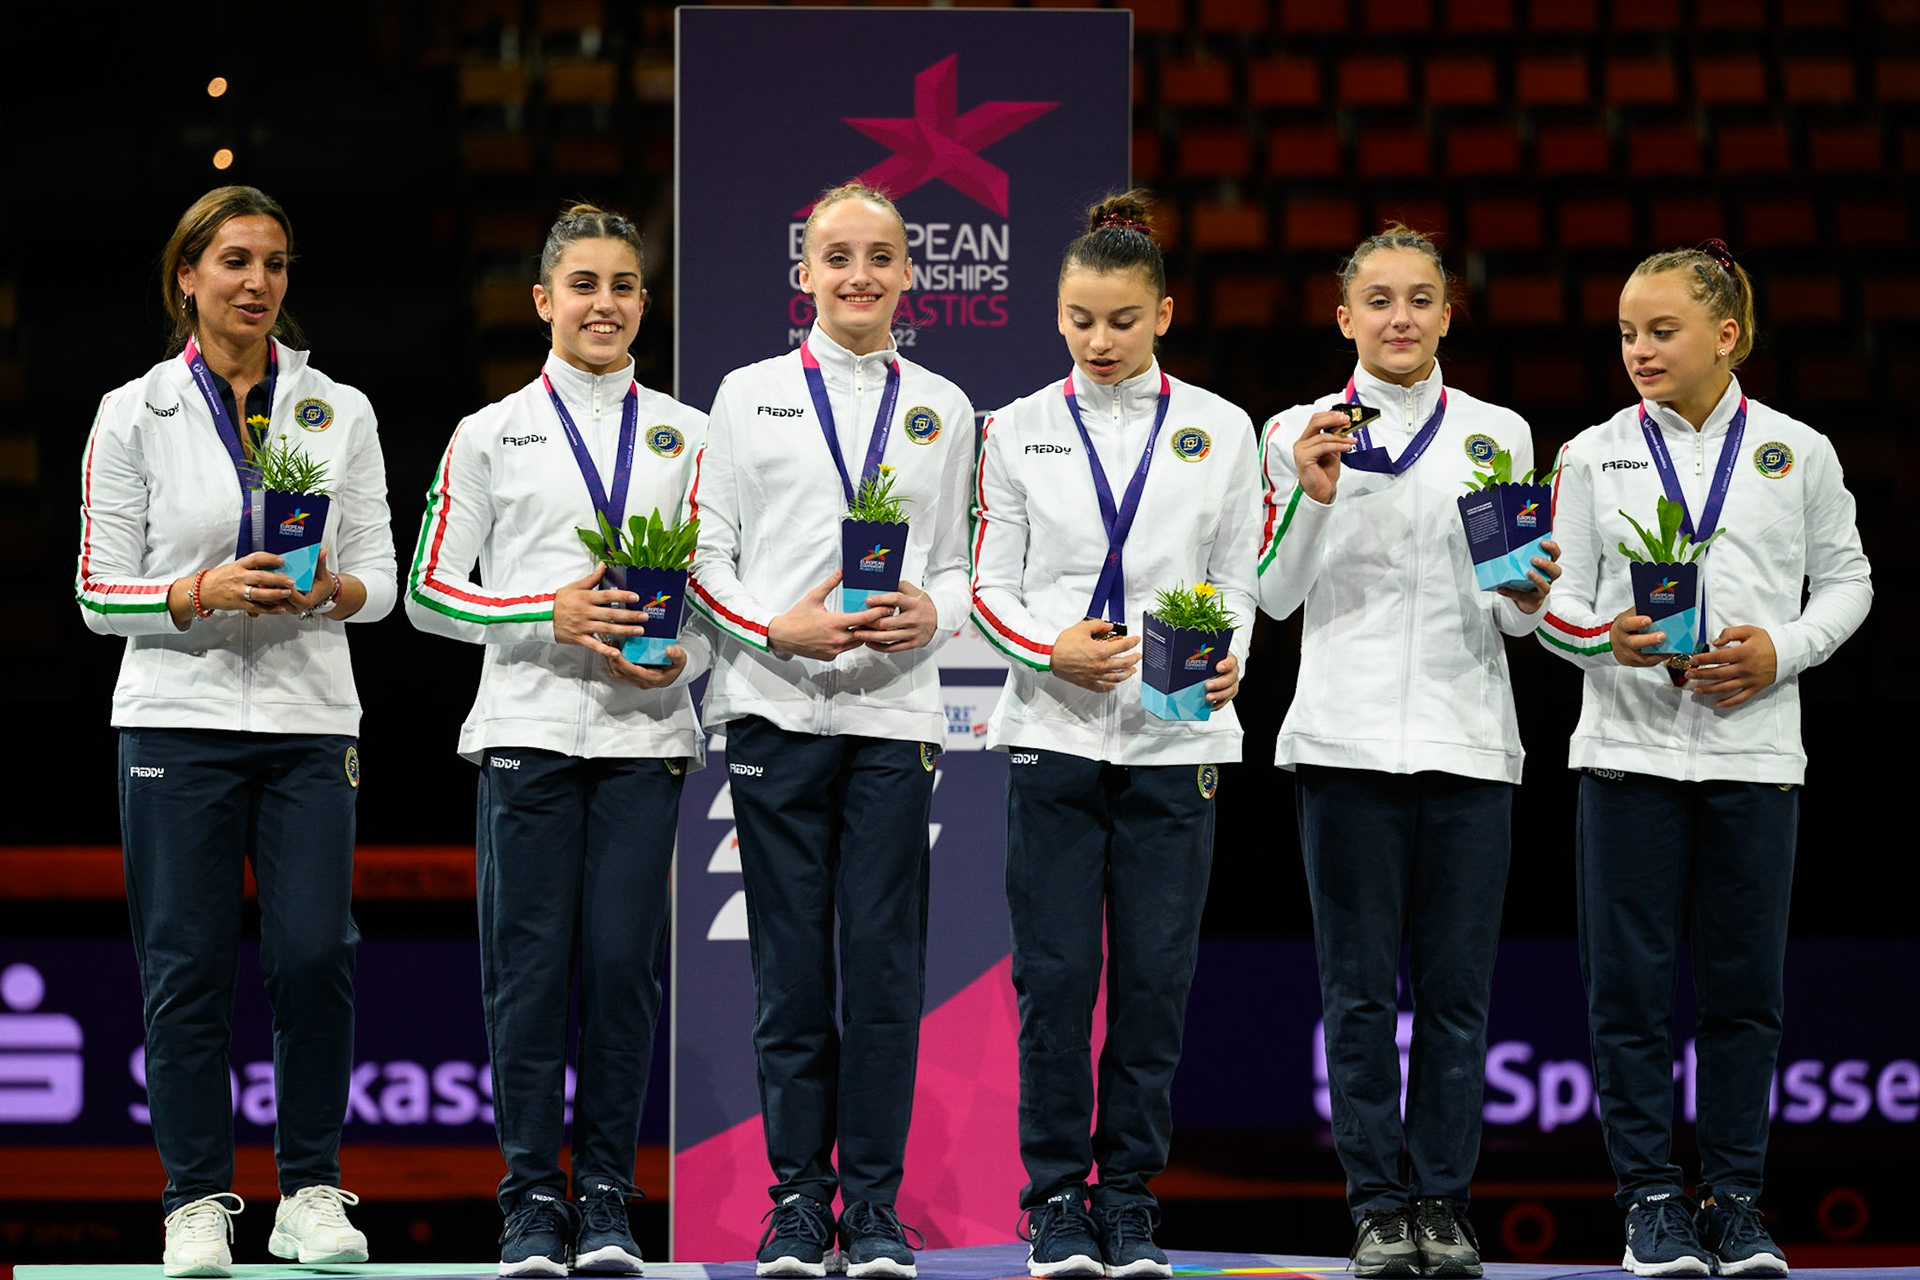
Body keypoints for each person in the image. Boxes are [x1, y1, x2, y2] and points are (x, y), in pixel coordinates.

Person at [1534, 241, 1871, 1278]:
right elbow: (1555, 607)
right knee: (1627, 992)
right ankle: (1649, 1203)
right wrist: (1605, 640)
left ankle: (1735, 1201)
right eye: (1628, 331)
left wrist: (1784, 650)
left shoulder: (1796, 450)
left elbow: (1849, 582)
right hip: (1626, 752)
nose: (1639, 347)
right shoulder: (1592, 452)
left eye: (1661, 329)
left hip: (1756, 753)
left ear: (1726, 334)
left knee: (1744, 994)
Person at [75, 185, 392, 1275]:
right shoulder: (134, 411)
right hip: (176, 714)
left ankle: (308, 1189)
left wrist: (329, 588)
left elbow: (386, 583)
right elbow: (94, 591)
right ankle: (195, 1199)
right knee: (186, 967)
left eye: (276, 264)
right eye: (235, 262)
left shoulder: (337, 407)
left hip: (309, 716)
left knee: (313, 957)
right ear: (188, 277)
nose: (258, 283)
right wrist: (200, 586)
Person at [405, 204, 707, 1276]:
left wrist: (683, 659)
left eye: (624, 285)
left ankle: (612, 1196)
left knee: (624, 970)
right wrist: (550, 610)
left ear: (643, 302)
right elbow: (429, 592)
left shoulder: (690, 434)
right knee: (529, 973)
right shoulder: (489, 431)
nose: (605, 303)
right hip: (527, 730)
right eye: (583, 284)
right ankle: (532, 1196)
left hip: (644, 735)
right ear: (543, 300)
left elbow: (715, 593)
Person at [1254, 224, 1560, 1278]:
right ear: (1345, 318)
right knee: (1357, 993)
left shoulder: (1499, 433)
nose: (1399, 317)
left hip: (1470, 741)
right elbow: (1273, 594)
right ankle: (1377, 1202)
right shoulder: (1297, 429)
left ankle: (1445, 1198)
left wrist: (1529, 590)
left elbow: (1519, 617)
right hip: (1342, 742)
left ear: (1445, 312)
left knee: (1459, 992)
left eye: (1419, 298)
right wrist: (1312, 491)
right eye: (1377, 299)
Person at [969, 191, 1259, 1279]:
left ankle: (1129, 1196)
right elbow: (991, 586)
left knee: (1153, 979)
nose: (1101, 341)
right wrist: (1053, 651)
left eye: (1123, 321)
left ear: (1165, 314)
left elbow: (1236, 579)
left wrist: (1230, 664)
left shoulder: (1221, 428)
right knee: (1052, 979)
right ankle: (1055, 1199)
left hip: (1177, 741)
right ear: (1056, 315)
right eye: (1082, 320)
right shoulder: (1016, 428)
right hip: (1052, 731)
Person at [687, 180, 973, 1280]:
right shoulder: (746, 392)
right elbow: (707, 560)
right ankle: (798, 1203)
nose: (859, 275)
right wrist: (778, 625)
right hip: (773, 708)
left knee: (887, 974)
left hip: (896, 713)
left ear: (910, 274)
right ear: (803, 272)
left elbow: (955, 562)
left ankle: (878, 1208)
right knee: (791, 977)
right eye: (837, 257)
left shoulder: (943, 404)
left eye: (882, 257)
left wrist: (934, 610)